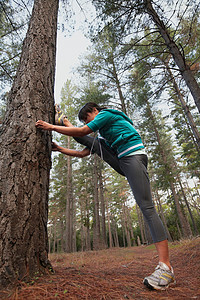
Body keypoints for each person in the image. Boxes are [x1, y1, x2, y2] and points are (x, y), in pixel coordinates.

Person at [35, 102, 175, 290]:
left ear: (95, 111)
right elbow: (82, 153)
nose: (87, 122)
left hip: (132, 156)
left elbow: (83, 131)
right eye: (84, 121)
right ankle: (63, 120)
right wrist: (60, 148)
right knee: (90, 141)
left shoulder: (106, 114)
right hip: (122, 159)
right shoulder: (104, 134)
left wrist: (51, 127)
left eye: (87, 118)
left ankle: (166, 267)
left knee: (147, 208)